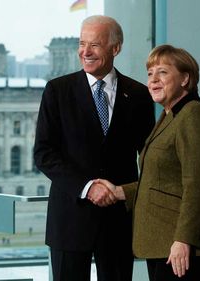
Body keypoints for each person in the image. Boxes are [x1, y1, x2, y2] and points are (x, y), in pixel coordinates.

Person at [33, 15, 155, 281]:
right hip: (70, 219)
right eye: (82, 43)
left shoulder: (139, 94)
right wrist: (89, 187)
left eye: (95, 45)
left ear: (116, 48)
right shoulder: (57, 91)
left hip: (118, 221)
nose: (85, 52)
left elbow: (149, 157)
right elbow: (44, 153)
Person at [95, 44, 200, 281]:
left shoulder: (193, 115)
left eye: (163, 73)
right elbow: (163, 180)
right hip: (164, 241)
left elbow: (199, 185)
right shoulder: (170, 116)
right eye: (150, 74)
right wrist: (120, 192)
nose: (153, 80)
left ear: (185, 79)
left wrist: (183, 240)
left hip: (183, 243)